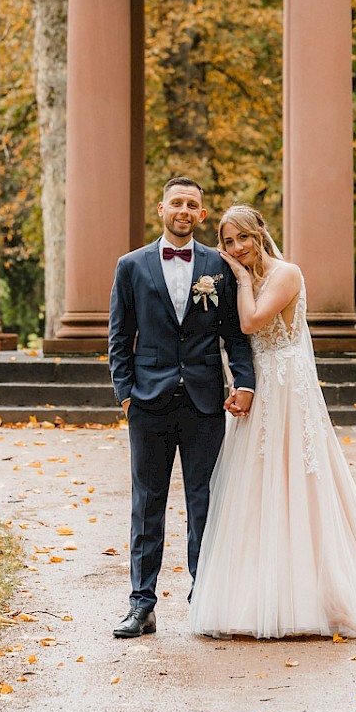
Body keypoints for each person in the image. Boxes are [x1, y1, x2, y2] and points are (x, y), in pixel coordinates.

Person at [189, 204, 356, 640]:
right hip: (259, 384)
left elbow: (253, 322)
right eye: (228, 242)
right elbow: (236, 341)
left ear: (260, 233)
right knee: (253, 486)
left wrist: (235, 277)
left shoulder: (285, 273)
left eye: (243, 238)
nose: (237, 248)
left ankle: (319, 594)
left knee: (298, 481)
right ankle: (254, 597)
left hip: (287, 386)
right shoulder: (247, 279)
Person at [108, 176, 256, 638]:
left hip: (203, 401)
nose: (184, 211)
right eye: (177, 203)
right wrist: (126, 393)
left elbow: (235, 333)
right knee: (146, 505)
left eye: (193, 204)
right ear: (162, 208)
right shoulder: (131, 266)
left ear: (202, 214)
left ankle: (204, 601)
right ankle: (141, 604)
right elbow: (118, 335)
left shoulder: (219, 266)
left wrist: (245, 383)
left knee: (204, 504)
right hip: (148, 403)